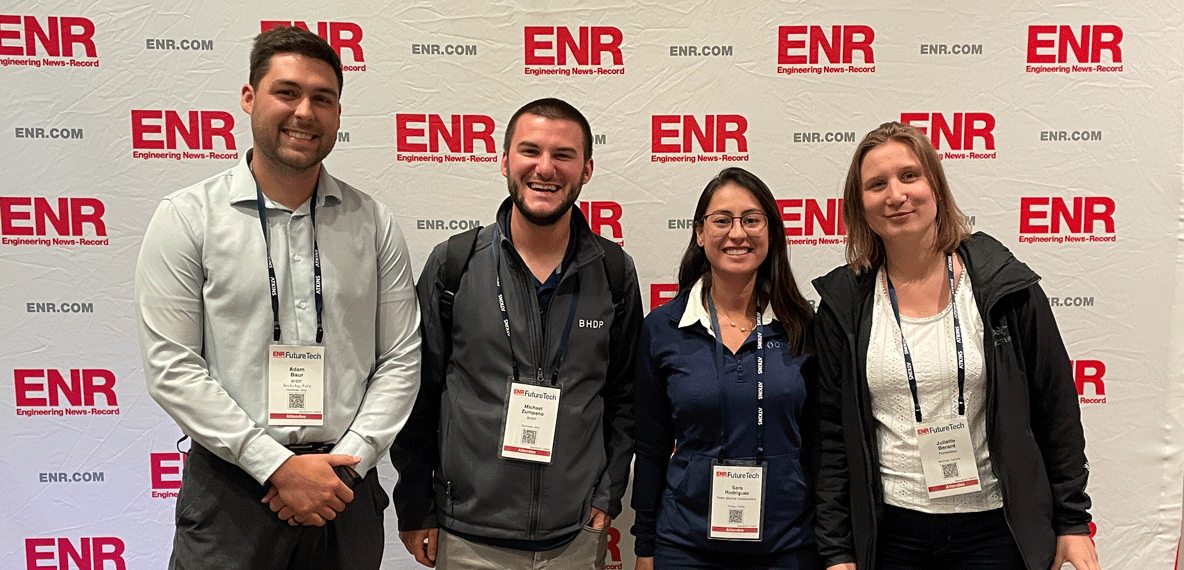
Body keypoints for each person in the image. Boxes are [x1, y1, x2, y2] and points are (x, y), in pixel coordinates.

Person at [135, 26, 421, 570]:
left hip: (345, 488)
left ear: (338, 112)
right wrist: (276, 466)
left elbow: (402, 359)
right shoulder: (188, 217)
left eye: (323, 98)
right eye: (286, 92)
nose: (305, 112)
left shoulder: (373, 223)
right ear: (249, 98)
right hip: (232, 492)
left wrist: (347, 467)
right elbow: (171, 366)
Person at [811, 121, 1100, 570]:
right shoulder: (843, 305)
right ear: (859, 205)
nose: (895, 194)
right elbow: (831, 440)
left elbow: (1056, 410)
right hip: (892, 536)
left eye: (910, 176)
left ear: (936, 187)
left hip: (996, 531)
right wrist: (837, 552)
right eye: (876, 184)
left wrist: (1072, 523)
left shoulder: (1006, 287)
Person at [391, 97, 643, 569]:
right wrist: (415, 504)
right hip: (467, 535)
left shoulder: (612, 272)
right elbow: (417, 394)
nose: (545, 168)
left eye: (563, 155)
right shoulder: (455, 264)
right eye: (530, 151)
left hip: (573, 536)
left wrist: (607, 493)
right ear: (504, 160)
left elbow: (625, 396)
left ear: (586, 169)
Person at [631, 167, 818, 570]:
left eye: (752, 220)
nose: (738, 233)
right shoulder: (663, 329)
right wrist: (645, 545)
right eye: (722, 220)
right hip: (686, 546)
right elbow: (651, 446)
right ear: (700, 233)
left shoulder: (804, 327)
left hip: (788, 546)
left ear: (771, 232)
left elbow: (823, 444)